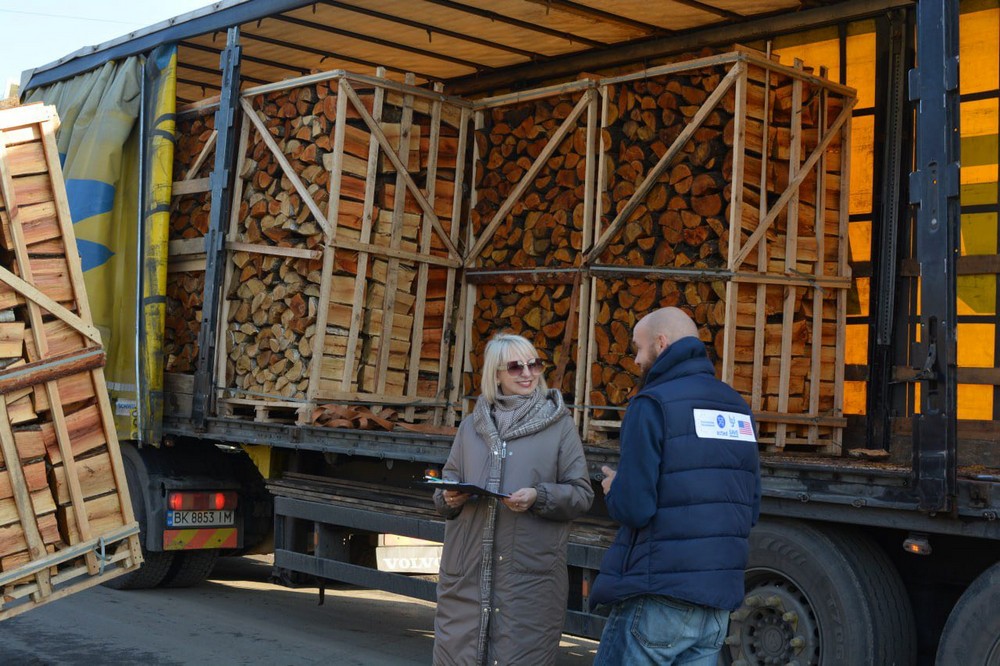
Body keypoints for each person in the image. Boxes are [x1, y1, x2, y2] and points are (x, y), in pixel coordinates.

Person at [591, 307, 761, 665]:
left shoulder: (652, 404)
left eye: (638, 348)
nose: (636, 360)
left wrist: (615, 488)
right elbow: (751, 506)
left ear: (661, 342)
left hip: (659, 596)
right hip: (716, 603)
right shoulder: (736, 406)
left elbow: (635, 508)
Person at [432, 332, 594, 666]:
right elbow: (444, 487)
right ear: (495, 374)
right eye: (515, 366)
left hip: (527, 580)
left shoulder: (560, 426)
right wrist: (449, 495)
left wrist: (540, 496)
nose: (527, 373)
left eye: (533, 364)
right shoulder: (470, 428)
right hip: (467, 577)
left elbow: (581, 494)